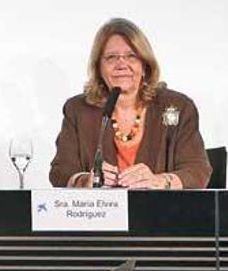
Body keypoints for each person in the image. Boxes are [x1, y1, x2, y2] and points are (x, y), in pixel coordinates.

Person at [49, 18, 212, 189]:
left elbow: (197, 171)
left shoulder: (178, 106)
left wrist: (160, 181)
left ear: (145, 64)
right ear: (99, 67)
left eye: (131, 56)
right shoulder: (78, 110)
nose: (121, 64)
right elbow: (60, 171)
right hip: (101, 213)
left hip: (161, 214)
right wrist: (85, 180)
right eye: (111, 58)